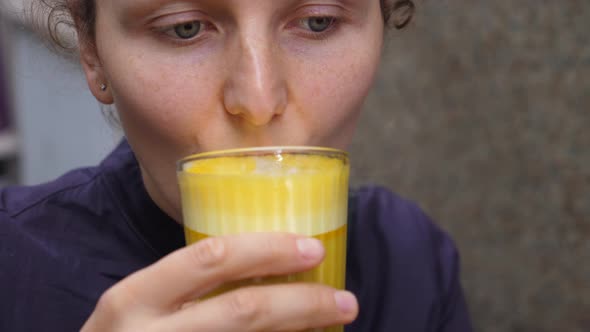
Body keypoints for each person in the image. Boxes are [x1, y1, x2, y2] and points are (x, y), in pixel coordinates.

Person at [0, 0, 473, 331]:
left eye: (318, 21)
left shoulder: (411, 262)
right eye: (184, 26)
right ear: (92, 53)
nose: (259, 101)